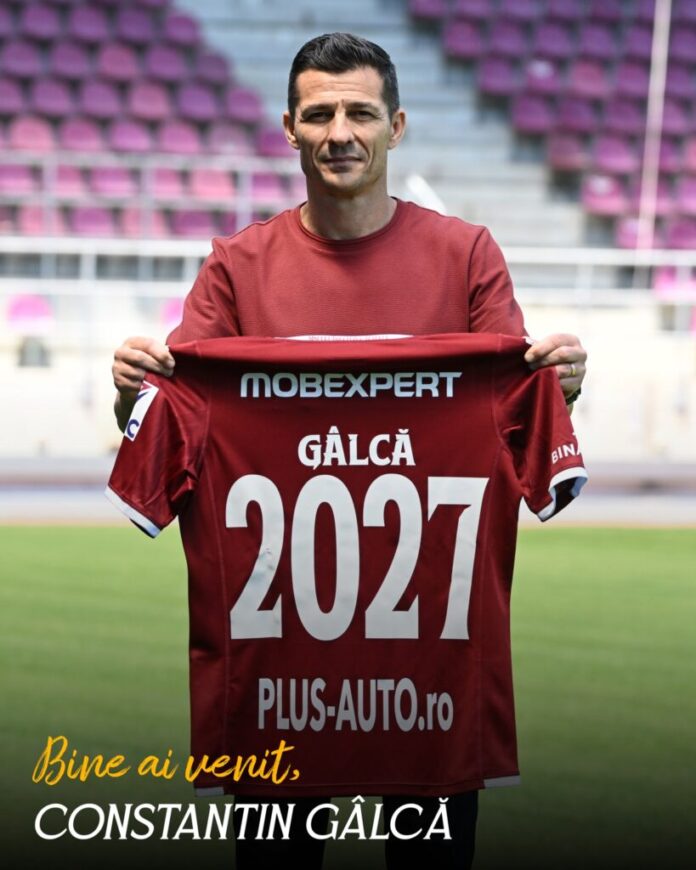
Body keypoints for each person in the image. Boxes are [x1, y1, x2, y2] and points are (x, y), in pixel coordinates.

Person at [112, 32, 587, 869]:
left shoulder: (467, 256)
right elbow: (175, 420)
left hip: (429, 675)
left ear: (395, 126)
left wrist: (557, 389)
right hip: (278, 674)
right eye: (319, 114)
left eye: (360, 113)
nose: (340, 133)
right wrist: (133, 395)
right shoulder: (234, 268)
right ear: (288, 129)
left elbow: (510, 417)